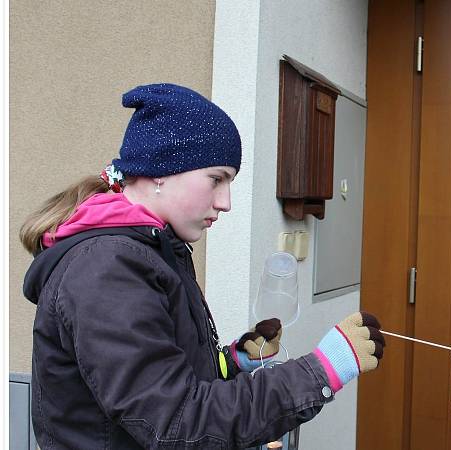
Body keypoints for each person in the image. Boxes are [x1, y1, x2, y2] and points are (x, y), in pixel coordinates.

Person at [21, 83, 385, 449]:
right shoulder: (106, 268)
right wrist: (323, 369)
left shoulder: (154, 246)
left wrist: (232, 362)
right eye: (216, 179)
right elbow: (178, 423)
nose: (225, 202)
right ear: (160, 171)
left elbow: (166, 381)